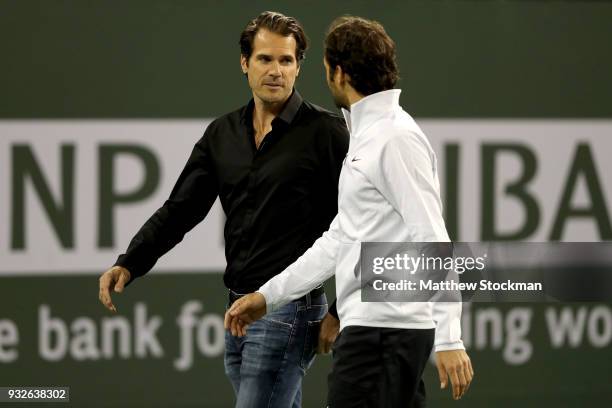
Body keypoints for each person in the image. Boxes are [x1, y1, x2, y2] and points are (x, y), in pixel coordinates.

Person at [97, 11, 349, 408]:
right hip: (238, 309)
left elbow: (362, 224)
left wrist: (339, 310)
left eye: (286, 60)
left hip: (289, 311)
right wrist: (130, 262)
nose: (276, 71)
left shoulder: (328, 133)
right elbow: (180, 209)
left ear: (299, 67)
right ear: (245, 63)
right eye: (265, 59)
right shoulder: (222, 133)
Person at [225, 16, 474, 407]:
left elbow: (433, 238)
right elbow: (340, 239)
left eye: (325, 69)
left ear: (340, 73)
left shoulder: (393, 138)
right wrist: (267, 297)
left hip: (382, 334)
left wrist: (449, 337)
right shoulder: (371, 136)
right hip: (378, 332)